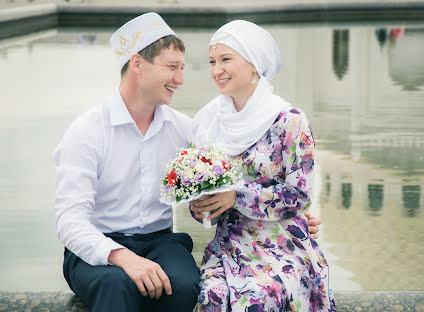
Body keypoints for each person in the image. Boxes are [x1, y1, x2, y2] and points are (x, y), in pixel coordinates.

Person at [53, 13, 200, 312]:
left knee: (183, 284)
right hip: (97, 245)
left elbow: (230, 172)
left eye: (182, 68)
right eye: (172, 67)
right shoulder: (87, 131)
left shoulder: (184, 129)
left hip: (161, 242)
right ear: (137, 63)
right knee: (115, 284)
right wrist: (121, 256)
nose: (180, 79)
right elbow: (69, 221)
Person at [190, 20, 336, 311]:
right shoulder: (208, 122)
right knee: (211, 296)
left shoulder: (290, 120)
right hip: (230, 244)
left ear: (254, 64)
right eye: (212, 61)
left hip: (283, 244)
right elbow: (205, 203)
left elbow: (300, 195)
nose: (216, 70)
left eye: (226, 59)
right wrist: (200, 208)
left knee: (257, 297)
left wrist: (237, 196)